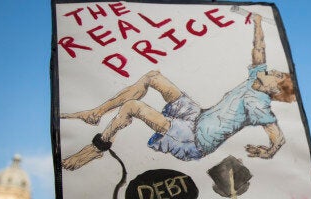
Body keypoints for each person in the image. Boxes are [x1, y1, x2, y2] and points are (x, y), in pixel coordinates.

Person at [61, 14, 296, 171]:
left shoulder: (259, 105)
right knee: (154, 77)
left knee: (132, 107)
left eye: (278, 75)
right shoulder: (256, 78)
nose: (273, 70)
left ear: (274, 88)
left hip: (194, 139)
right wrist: (256, 22)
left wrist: (268, 152)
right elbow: (259, 48)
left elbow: (277, 134)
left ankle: (99, 146)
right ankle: (95, 112)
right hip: (197, 116)